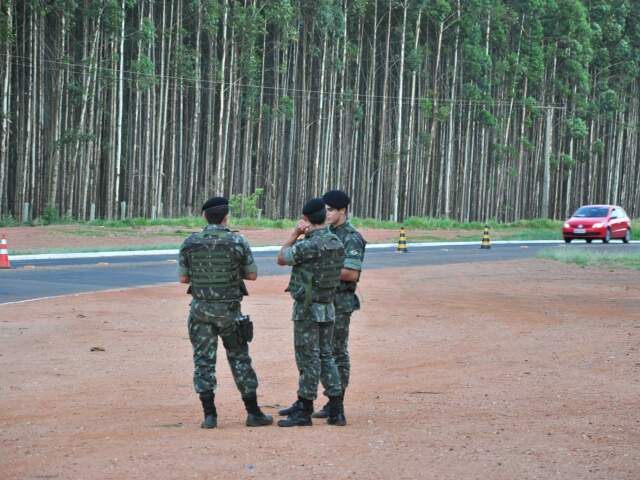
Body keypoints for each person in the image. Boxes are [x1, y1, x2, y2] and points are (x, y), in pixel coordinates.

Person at [178, 196, 273, 429]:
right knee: (240, 358)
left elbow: (183, 278)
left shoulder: (190, 243)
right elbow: (252, 275)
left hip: (200, 311)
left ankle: (209, 416)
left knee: (203, 362)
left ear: (204, 216)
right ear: (226, 217)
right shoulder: (238, 242)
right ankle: (253, 413)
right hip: (230, 311)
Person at [276, 198, 346, 427]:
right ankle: (337, 409)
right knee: (327, 357)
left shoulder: (308, 245)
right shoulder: (336, 242)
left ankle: (305, 409)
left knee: (308, 359)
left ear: (305, 218)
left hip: (307, 309)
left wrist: (294, 234)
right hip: (328, 307)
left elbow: (281, 258)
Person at [311, 190, 366, 421]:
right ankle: (330, 397)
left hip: (340, 302)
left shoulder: (351, 237)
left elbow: (351, 273)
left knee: (337, 352)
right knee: (320, 351)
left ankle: (337, 400)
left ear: (342, 210)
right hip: (322, 300)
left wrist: (319, 270)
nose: (327, 213)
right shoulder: (324, 233)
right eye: (325, 209)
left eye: (331, 209)